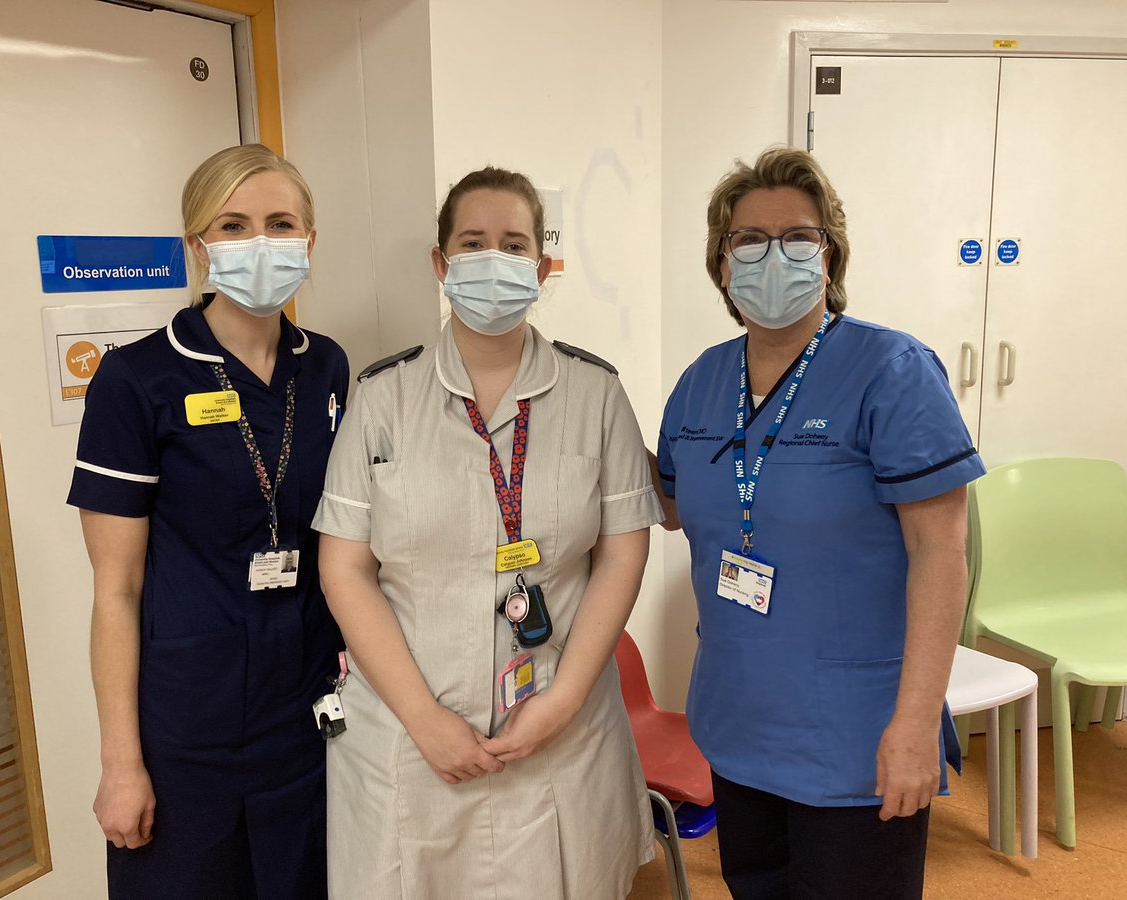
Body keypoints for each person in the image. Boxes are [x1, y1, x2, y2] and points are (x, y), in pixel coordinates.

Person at [314, 166, 661, 898]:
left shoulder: (595, 393)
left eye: (514, 244)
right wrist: (423, 717)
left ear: (542, 265)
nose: (494, 260)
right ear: (442, 265)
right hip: (410, 741)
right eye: (473, 243)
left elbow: (624, 551)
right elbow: (344, 571)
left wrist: (563, 700)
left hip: (563, 733)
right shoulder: (382, 399)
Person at [654, 147, 985, 899]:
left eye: (797, 237)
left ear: (829, 256)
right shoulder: (702, 382)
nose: (774, 255)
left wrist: (913, 724)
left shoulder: (892, 371)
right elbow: (674, 507)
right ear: (722, 262)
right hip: (740, 721)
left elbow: (942, 552)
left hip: (859, 737)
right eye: (749, 239)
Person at [68, 144, 348, 899]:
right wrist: (121, 763)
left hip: (310, 716)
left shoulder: (326, 367)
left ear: (309, 241)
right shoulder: (137, 380)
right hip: (189, 727)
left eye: (281, 222)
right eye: (233, 224)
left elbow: (344, 539)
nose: (261, 242)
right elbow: (116, 590)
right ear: (197, 246)